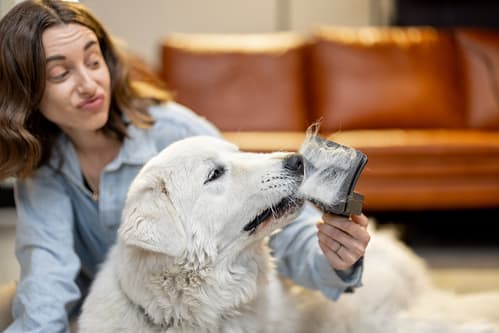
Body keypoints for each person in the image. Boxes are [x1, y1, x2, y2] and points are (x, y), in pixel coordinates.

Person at [0, 0, 371, 332]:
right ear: (28, 92)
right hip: (112, 303)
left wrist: (335, 259)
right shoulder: (42, 166)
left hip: (192, 302)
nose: (89, 84)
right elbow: (47, 275)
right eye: (60, 74)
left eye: (94, 60)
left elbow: (274, 219)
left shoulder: (177, 133)